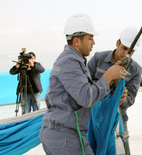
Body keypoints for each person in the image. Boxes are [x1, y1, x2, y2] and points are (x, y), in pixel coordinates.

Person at [39, 14, 126, 155]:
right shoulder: (69, 62)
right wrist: (109, 75)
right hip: (66, 137)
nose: (94, 43)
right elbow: (86, 97)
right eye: (90, 38)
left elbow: (84, 93)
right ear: (76, 41)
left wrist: (111, 95)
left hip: (63, 135)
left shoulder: (74, 60)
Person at [87, 26, 142, 154]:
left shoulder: (136, 70)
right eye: (124, 48)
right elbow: (84, 85)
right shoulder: (98, 59)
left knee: (121, 150)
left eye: (131, 51)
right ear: (117, 43)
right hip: (93, 118)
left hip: (118, 119)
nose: (126, 54)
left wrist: (123, 99)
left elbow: (131, 98)